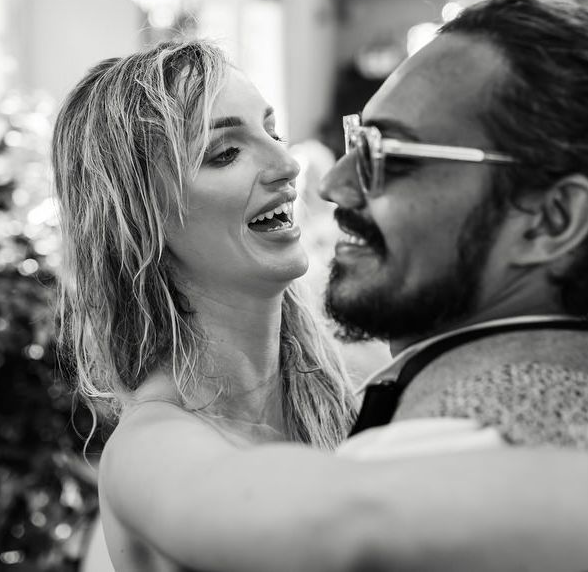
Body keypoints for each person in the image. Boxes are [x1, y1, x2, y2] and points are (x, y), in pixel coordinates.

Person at [54, 37, 588, 572]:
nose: (288, 164)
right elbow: (349, 524)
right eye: (225, 153)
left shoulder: (359, 380)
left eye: (274, 132)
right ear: (139, 222)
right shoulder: (149, 448)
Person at [320, 0, 588, 451]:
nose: (333, 184)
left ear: (551, 220)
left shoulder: (439, 454)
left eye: (386, 155)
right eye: (358, 142)